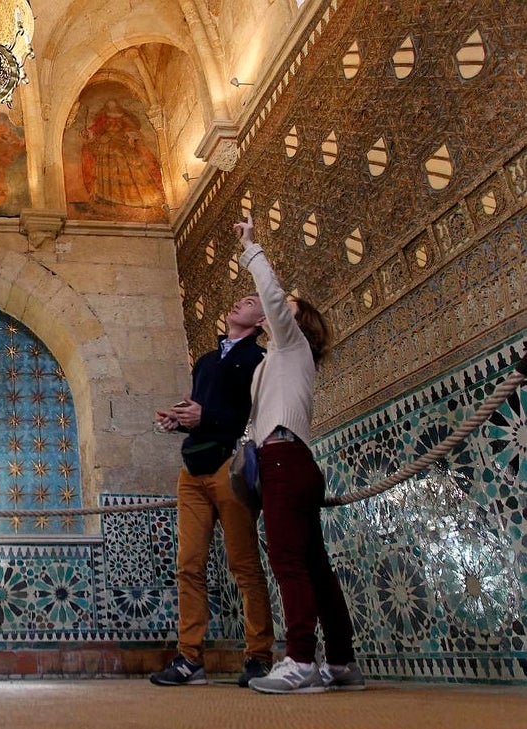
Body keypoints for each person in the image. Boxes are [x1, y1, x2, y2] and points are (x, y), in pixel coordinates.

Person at [232, 212, 365, 694]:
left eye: (285, 307)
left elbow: (271, 296)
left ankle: (302, 662)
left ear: (295, 321)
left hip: (286, 462)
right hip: (294, 462)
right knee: (315, 567)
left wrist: (251, 247)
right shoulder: (277, 360)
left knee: (289, 563)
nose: (275, 310)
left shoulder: (291, 346)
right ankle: (343, 663)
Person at [149, 292, 275, 688]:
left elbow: (250, 417)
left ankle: (258, 656)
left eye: (251, 301)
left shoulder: (258, 361)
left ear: (260, 322)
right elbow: (202, 413)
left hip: (228, 466)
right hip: (192, 471)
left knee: (243, 563)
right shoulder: (205, 360)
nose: (240, 302)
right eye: (239, 298)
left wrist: (206, 416)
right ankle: (189, 659)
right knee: (189, 564)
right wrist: (181, 420)